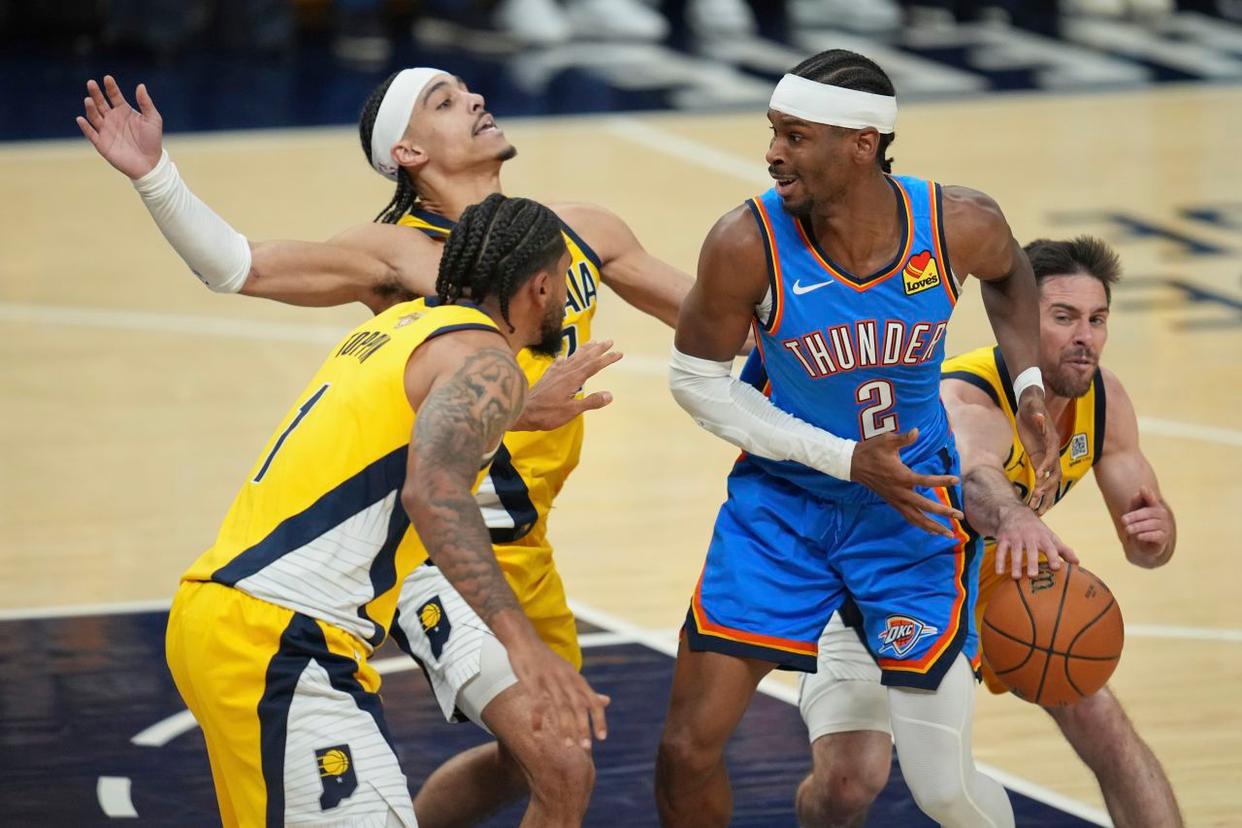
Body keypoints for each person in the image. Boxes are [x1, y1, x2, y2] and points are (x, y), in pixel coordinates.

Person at [78, 68, 691, 824]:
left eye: (466, 90)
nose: (475, 99)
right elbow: (239, 264)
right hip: (428, 549)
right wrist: (156, 176)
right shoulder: (395, 254)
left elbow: (713, 318)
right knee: (554, 753)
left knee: (552, 764)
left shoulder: (572, 232)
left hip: (521, 545)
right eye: (444, 101)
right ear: (406, 151)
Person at [658, 48, 1065, 827]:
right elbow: (695, 383)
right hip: (783, 510)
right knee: (686, 748)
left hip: (910, 511)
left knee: (943, 790)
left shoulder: (957, 223)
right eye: (773, 132)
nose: (773, 153)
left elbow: (1012, 275)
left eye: (795, 136)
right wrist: (844, 459)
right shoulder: (745, 241)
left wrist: (1028, 385)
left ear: (862, 145)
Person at [159, 193, 609, 826]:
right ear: (541, 286)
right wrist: (522, 643)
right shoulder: (489, 362)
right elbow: (434, 493)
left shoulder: (402, 327)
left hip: (225, 616)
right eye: (564, 278)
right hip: (283, 637)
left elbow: (407, 425)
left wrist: (520, 410)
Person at [796, 236, 1183, 828]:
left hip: (990, 578)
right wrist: (1015, 515)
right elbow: (977, 477)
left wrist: (1159, 535)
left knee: (1100, 719)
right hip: (880, 581)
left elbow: (1146, 548)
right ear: (1018, 320)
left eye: (1097, 319)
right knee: (848, 784)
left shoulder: (1104, 400)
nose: (1085, 337)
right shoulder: (966, 394)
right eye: (1064, 317)